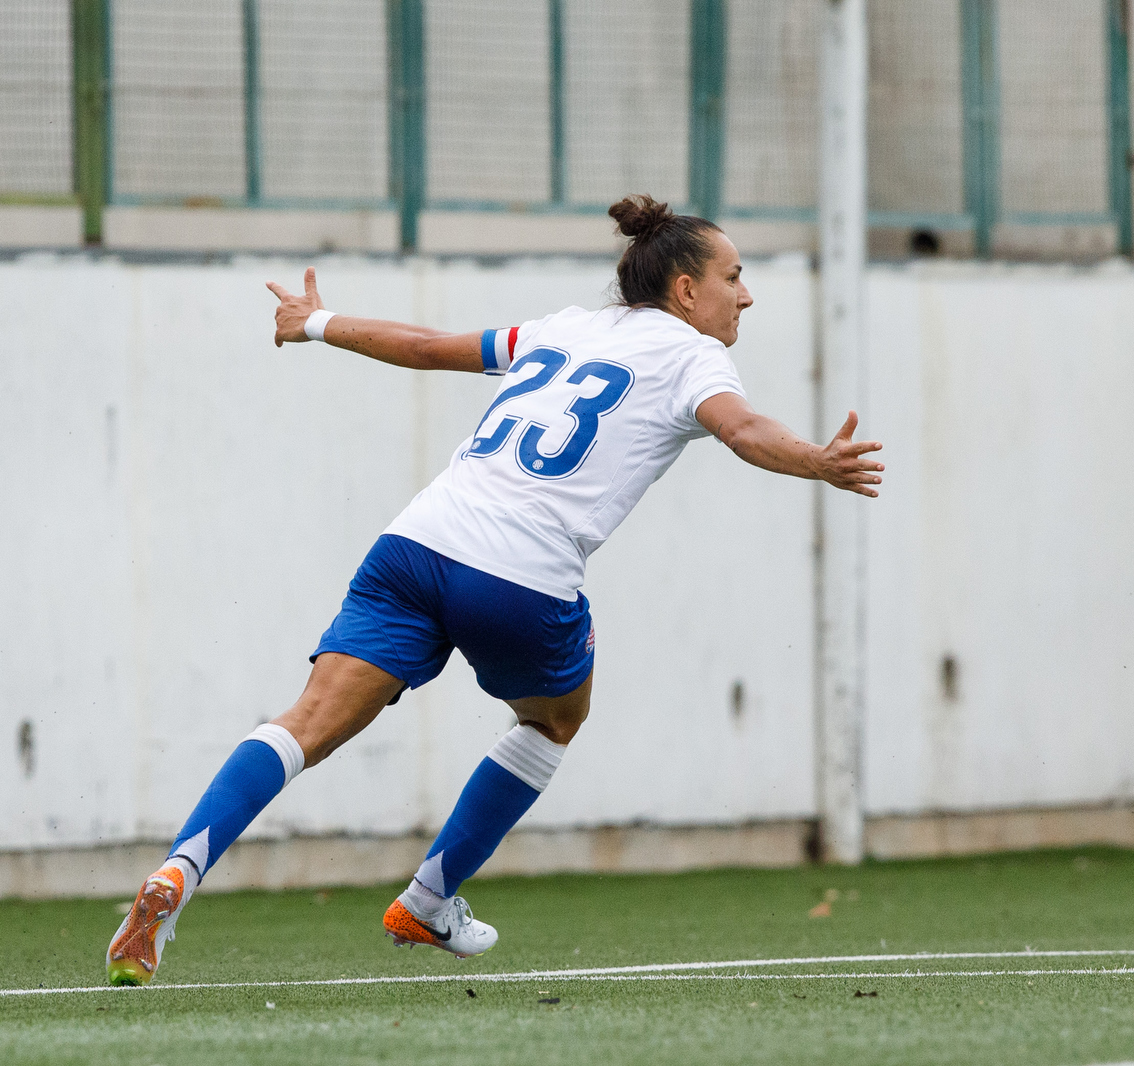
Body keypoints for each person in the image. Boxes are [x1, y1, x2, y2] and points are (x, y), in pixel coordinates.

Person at [105, 195, 885, 986]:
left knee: (305, 720)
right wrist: (816, 461)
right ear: (686, 292)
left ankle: (181, 867)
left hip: (415, 545)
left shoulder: (564, 329)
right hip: (521, 576)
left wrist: (315, 320)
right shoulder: (693, 355)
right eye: (734, 276)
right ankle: (429, 897)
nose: (745, 294)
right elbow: (743, 430)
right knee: (555, 719)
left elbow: (425, 347)